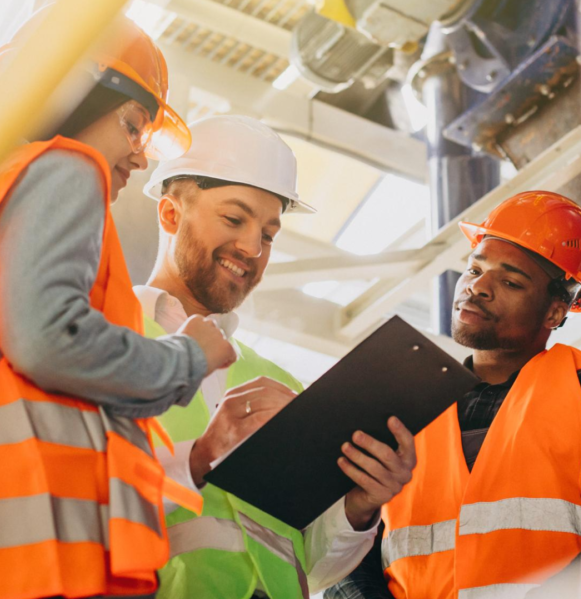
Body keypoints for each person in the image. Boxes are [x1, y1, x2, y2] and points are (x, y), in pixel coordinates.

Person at [0, 11, 236, 599]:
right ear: (76, 94)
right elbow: (47, 337)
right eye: (133, 126)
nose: (140, 158)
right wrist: (187, 358)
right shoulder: (64, 166)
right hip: (27, 545)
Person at [325, 191, 581, 599]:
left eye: (510, 281)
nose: (479, 288)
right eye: (475, 270)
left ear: (555, 312)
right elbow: (343, 558)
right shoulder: (402, 404)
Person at [136, 115, 417, 599]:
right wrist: (197, 461)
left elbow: (310, 563)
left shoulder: (276, 380)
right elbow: (73, 500)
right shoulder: (104, 340)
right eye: (234, 218)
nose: (252, 247)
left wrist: (359, 506)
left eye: (268, 234)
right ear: (169, 215)